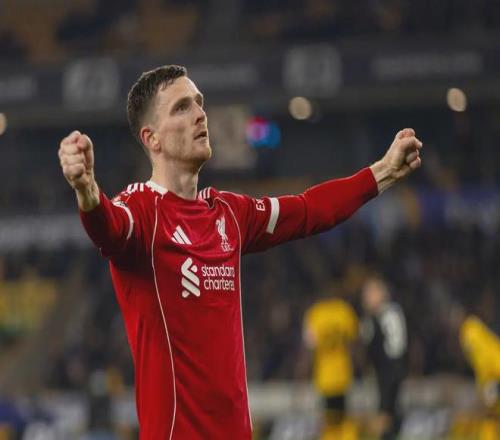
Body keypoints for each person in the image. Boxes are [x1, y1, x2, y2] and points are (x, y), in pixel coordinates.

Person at [58, 64, 423, 439]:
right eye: (182, 107)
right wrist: (86, 190)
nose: (200, 113)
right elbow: (109, 228)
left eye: (199, 103)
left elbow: (309, 210)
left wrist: (383, 171)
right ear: (152, 138)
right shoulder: (141, 210)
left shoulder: (229, 214)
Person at [303, 287, 359, 440]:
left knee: (328, 417)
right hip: (343, 372)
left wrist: (304, 373)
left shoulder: (316, 313)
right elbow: (354, 343)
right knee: (343, 415)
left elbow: (310, 345)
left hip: (324, 374)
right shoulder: (344, 310)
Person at [360, 276, 408, 440]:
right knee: (389, 412)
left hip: (388, 369)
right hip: (390, 369)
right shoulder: (389, 312)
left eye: (369, 293)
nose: (366, 298)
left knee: (385, 413)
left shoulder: (383, 314)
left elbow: (382, 345)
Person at [450, 304, 500, 440]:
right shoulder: (474, 326)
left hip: (494, 376)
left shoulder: (469, 333)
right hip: (494, 375)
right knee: (491, 419)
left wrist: (488, 384)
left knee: (489, 415)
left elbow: (483, 360)